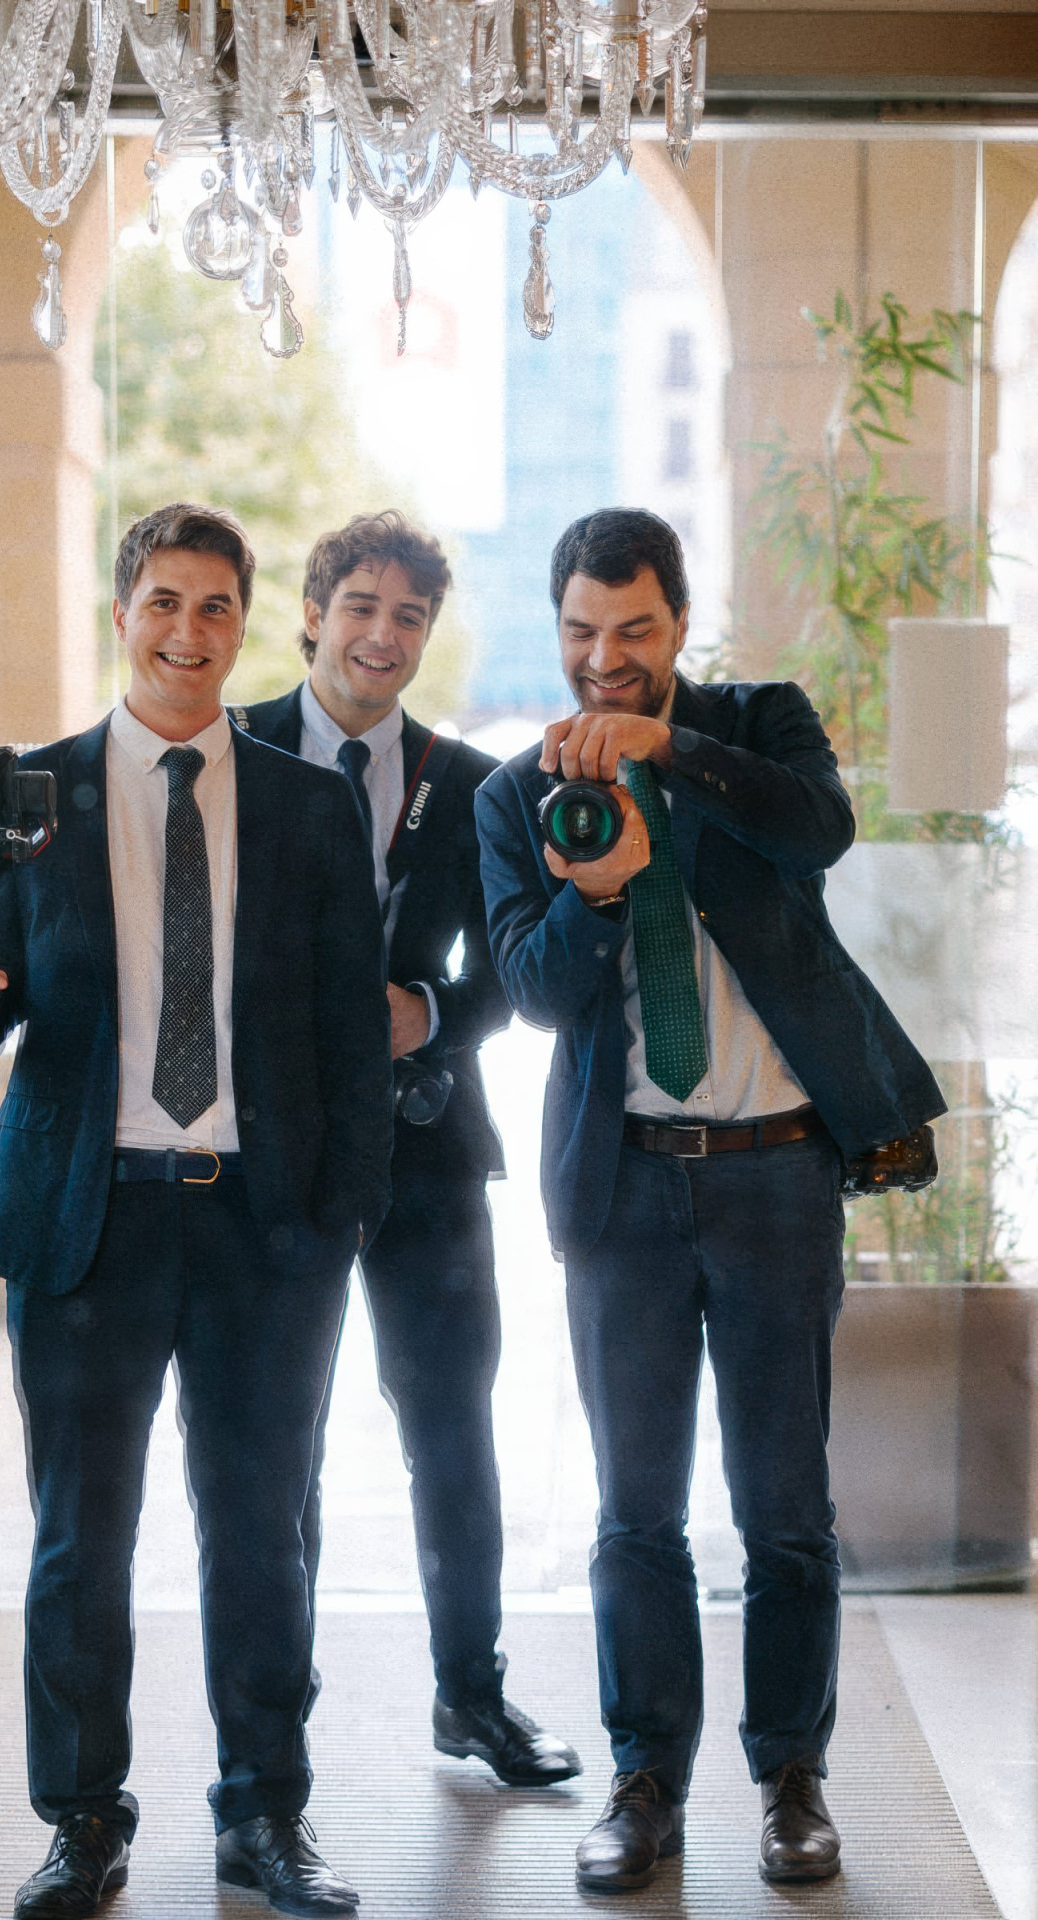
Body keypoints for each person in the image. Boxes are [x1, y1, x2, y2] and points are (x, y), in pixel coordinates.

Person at [0, 503, 393, 1920]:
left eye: (215, 609)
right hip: (89, 1224)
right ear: (122, 611)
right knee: (83, 1538)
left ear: (250, 624)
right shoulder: (32, 796)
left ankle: (265, 1817)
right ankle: (81, 1818)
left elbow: (347, 1043)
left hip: (264, 1230)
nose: (187, 634)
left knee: (265, 1530)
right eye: (163, 604)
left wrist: (337, 1224)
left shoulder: (309, 805)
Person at [473, 508, 945, 1892]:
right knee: (635, 1511)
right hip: (627, 1191)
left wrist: (670, 750)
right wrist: (602, 893)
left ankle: (792, 1778)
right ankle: (643, 1782)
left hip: (780, 1176)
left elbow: (823, 831)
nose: (602, 661)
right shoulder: (519, 796)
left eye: (631, 631)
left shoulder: (758, 726)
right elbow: (538, 995)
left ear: (677, 623)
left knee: (787, 1504)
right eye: (578, 634)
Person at [238, 510, 580, 1788]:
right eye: (361, 606)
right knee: (277, 1444)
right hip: (271, 1159)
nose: (382, 635)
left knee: (451, 1431)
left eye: (409, 616)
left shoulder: (477, 781)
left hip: (429, 1149)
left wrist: (423, 1011)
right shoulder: (229, 750)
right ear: (314, 614)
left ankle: (471, 1697)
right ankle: (275, 1723)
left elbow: (510, 972)